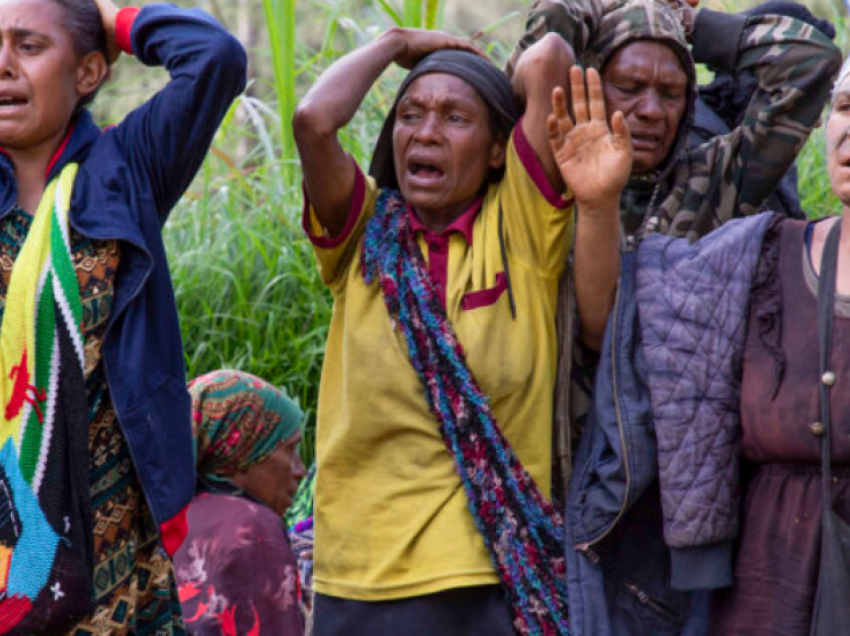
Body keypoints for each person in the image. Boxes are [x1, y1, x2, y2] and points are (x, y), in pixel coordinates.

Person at [293, 24, 629, 636]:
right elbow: (314, 120)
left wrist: (480, 65)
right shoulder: (360, 235)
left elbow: (551, 56)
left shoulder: (521, 227)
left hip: (479, 575)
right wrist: (396, 43)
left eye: (455, 118)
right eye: (411, 115)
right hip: (354, 574)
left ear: (499, 149)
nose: (425, 132)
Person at [555, 38, 850, 636]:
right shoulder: (761, 255)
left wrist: (695, 19)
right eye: (845, 109)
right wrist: (598, 205)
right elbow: (614, 324)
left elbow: (806, 59)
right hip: (766, 590)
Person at [510, 0, 842, 509]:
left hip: (663, 487)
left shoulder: (712, 183)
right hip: (546, 472)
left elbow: (812, 59)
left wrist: (689, 22)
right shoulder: (545, 170)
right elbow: (548, 33)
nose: (649, 110)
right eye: (629, 86)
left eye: (670, 93)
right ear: (590, 84)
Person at [0, 0, 246, 633]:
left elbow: (214, 58)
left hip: (113, 535)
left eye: (28, 47)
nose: (2, 66)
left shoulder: (124, 170)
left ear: (87, 74)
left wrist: (111, 19)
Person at [174, 370, 306, 636]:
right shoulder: (252, 529)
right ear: (244, 452)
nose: (300, 470)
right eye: (289, 450)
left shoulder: (168, 517)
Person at [689, 0, 836, 220]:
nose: (816, 122)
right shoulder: (699, 138)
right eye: (806, 96)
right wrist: (691, 23)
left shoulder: (769, 145)